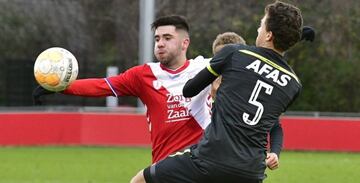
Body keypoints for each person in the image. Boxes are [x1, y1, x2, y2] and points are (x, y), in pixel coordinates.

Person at [132, 1, 305, 183]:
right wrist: (275, 152)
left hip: (210, 159)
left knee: (140, 180)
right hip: (252, 172)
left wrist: (214, 87)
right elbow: (273, 124)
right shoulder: (293, 84)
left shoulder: (235, 53)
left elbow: (189, 90)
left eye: (261, 25)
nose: (258, 30)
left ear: (269, 35)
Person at [33, 15, 213, 163]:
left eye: (167, 38)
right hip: (165, 164)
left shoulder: (206, 68)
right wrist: (62, 87)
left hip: (203, 160)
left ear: (185, 43)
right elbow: (102, 85)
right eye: (157, 38)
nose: (160, 44)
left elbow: (239, 68)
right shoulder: (143, 75)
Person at [210, 32, 282, 171]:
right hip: (209, 162)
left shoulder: (251, 92)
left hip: (243, 166)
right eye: (221, 57)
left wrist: (274, 152)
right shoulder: (203, 85)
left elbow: (276, 126)